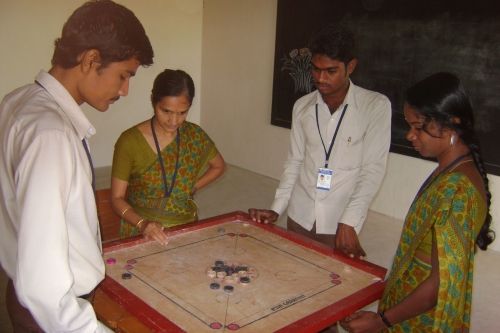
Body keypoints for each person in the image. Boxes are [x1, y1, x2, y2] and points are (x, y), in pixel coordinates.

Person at [0, 1, 154, 332]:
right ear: (90, 60)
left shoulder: (17, 101)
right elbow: (44, 287)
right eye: (124, 75)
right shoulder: (51, 133)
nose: (125, 90)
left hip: (19, 288)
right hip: (54, 314)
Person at [340, 72, 495, 332]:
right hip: (405, 308)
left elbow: (440, 282)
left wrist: (382, 321)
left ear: (451, 124)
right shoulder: (448, 172)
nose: (410, 135)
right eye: (410, 125)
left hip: (422, 320)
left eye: (419, 127)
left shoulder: (458, 192)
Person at [249, 24, 391, 258]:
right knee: (294, 276)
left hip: (339, 223)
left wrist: (349, 221)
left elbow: (372, 171)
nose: (320, 78)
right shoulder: (302, 106)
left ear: (351, 67)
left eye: (331, 71)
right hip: (299, 215)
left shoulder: (374, 107)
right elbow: (294, 162)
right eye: (315, 69)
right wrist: (277, 208)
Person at [110, 69, 225, 244]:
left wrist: (191, 187)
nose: (174, 121)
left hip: (186, 231)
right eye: (166, 111)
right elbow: (116, 198)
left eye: (182, 113)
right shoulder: (129, 141)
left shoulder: (195, 135)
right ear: (153, 101)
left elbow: (219, 166)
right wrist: (143, 224)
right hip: (141, 233)